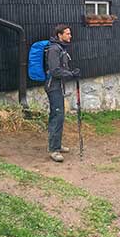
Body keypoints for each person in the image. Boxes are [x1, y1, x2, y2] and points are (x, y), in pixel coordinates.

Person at [45, 24, 80, 162]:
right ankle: (53, 150)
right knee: (57, 116)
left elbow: (62, 68)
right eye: (67, 33)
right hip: (53, 86)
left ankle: (57, 145)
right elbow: (55, 71)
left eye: (70, 33)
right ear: (60, 35)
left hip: (58, 86)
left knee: (59, 116)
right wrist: (71, 74)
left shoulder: (61, 48)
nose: (70, 36)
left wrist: (72, 72)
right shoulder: (54, 49)